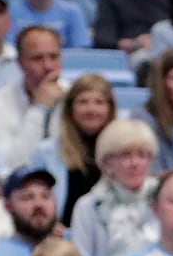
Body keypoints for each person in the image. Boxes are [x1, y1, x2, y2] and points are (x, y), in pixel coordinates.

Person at [68, 119, 161, 256]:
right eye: (126, 155)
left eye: (142, 155)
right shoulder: (88, 206)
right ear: (107, 162)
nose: (135, 163)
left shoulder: (165, 198)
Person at [30, 72, 113, 226]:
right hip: (59, 238)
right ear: (70, 109)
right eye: (83, 102)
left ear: (110, 109)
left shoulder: (124, 152)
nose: (91, 109)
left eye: (99, 102)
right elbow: (33, 200)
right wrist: (48, 225)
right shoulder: (46, 152)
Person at [0, 26, 63, 177]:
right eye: (37, 58)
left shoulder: (77, 98)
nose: (48, 66)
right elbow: (12, 166)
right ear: (20, 63)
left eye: (54, 57)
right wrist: (39, 109)